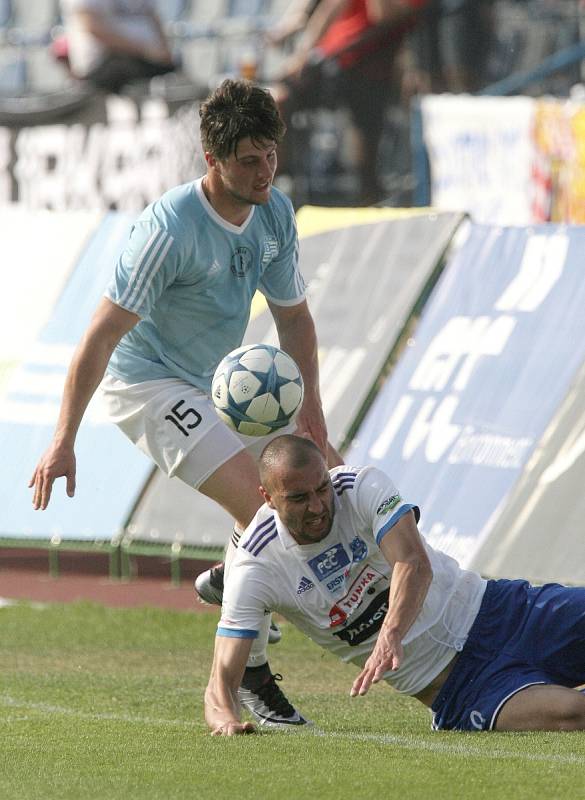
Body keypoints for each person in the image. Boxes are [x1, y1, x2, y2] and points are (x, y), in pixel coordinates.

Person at [30, 78, 340, 730]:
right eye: (248, 161)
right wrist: (64, 438)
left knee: (282, 505)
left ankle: (232, 584)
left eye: (270, 156)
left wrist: (312, 416)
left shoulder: (274, 213)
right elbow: (100, 335)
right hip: (143, 385)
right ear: (213, 160)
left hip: (216, 386)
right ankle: (247, 675)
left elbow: (296, 321)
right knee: (262, 511)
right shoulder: (169, 228)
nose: (264, 172)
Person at [204, 434, 585, 735]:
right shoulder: (255, 565)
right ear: (267, 498)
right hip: (462, 685)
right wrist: (224, 721)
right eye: (299, 498)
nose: (318, 506)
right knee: (573, 713)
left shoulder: (360, 485)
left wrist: (391, 633)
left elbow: (412, 562)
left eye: (322, 489)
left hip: (504, 611)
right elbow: (222, 679)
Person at [271, 0, 429, 205]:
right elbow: (329, 8)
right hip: (329, 59)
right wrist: (302, 53)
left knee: (365, 146)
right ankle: (270, 189)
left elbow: (383, 15)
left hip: (368, 62)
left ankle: (367, 196)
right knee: (275, 100)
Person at [59, 0, 176, 93]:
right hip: (103, 65)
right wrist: (145, 51)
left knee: (175, 78)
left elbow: (152, 15)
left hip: (146, 60)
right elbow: (92, 26)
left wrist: (165, 51)